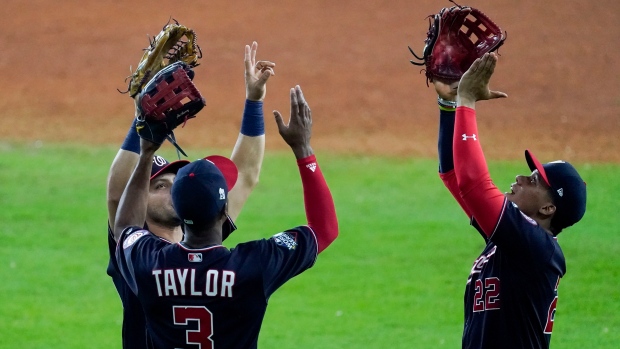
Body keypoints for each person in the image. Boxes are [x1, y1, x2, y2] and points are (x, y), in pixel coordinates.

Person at [113, 85, 338, 348]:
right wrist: (303, 150)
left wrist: (147, 152)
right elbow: (324, 229)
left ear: (179, 209)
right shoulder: (253, 267)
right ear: (224, 212)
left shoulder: (148, 264)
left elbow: (125, 227)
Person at [106, 41, 275, 348]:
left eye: (176, 182)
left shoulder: (201, 231)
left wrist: (254, 101)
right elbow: (117, 196)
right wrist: (143, 124)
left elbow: (246, 175)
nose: (173, 190)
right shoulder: (133, 250)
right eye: (159, 186)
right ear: (139, 204)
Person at [433, 53, 587, 348]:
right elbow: (453, 174)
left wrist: (467, 101)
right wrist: (448, 103)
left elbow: (474, 185)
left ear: (548, 208)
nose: (520, 178)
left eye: (534, 181)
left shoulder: (536, 248)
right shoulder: (510, 239)